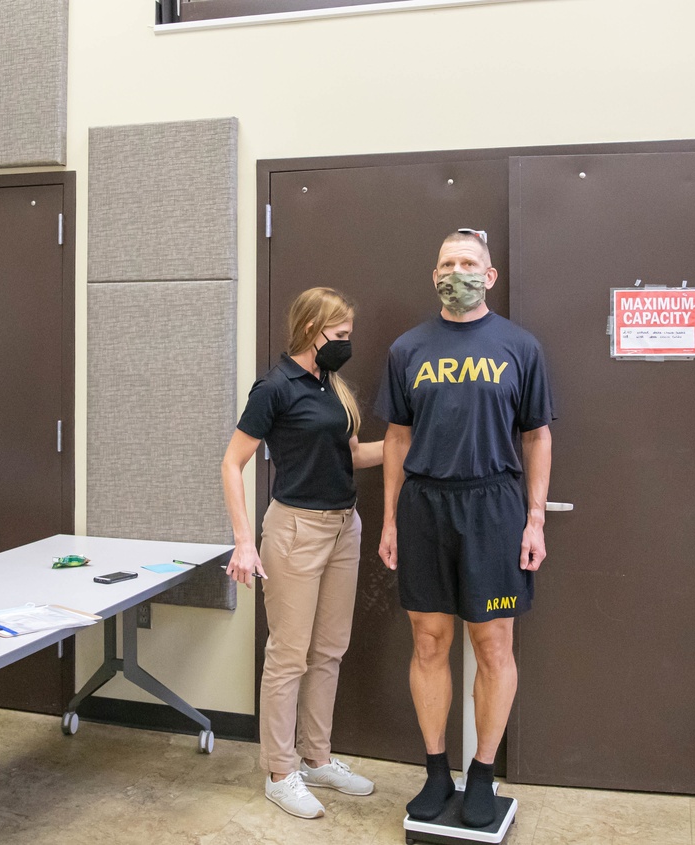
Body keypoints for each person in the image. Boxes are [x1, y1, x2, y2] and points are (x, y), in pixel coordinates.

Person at [376, 229, 553, 829]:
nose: (459, 271)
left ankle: (482, 773)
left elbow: (537, 435)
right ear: (434, 276)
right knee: (429, 642)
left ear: (490, 275)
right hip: (425, 505)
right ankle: (435, 772)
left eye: (469, 263)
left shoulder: (519, 345)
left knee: (493, 644)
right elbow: (397, 438)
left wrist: (535, 519)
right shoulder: (407, 348)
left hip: (494, 507)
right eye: (448, 263)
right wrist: (391, 517)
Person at [221, 287, 384, 820]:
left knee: (329, 650)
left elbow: (353, 454)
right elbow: (231, 464)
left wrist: (410, 439)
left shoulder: (331, 386)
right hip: (294, 531)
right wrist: (245, 541)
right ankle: (279, 771)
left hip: (344, 528)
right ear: (312, 329)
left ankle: (316, 758)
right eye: (339, 336)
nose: (346, 344)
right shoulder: (274, 387)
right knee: (288, 655)